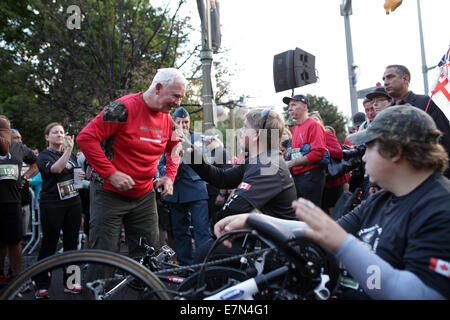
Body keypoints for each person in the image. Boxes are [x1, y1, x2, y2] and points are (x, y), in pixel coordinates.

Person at [215, 105, 450, 300]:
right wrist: (252, 220)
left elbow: (422, 294)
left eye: (368, 148)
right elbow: (324, 232)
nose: (364, 156)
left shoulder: (440, 208)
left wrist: (343, 244)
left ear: (395, 151)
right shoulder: (382, 198)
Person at [76, 68, 184, 260]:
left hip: (143, 196)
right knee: (105, 258)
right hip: (108, 193)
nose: (178, 103)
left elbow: (175, 148)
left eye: (181, 98)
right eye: (175, 96)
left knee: (148, 256)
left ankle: (144, 290)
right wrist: (111, 173)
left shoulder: (167, 120)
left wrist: (169, 177)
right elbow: (85, 138)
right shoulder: (122, 108)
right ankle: (101, 290)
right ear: (158, 88)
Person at [33, 123, 84, 298]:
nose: (60, 135)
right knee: (50, 243)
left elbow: (76, 177)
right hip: (52, 203)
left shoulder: (70, 154)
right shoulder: (44, 156)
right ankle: (41, 285)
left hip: (73, 202)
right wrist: (68, 151)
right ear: (47, 137)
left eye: (62, 132)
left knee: (72, 243)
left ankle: (71, 282)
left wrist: (81, 176)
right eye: (55, 132)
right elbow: (56, 169)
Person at [158, 106, 210, 266]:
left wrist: (184, 143)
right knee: (180, 232)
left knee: (202, 231)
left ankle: (203, 266)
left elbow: (204, 162)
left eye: (186, 121)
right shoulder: (166, 139)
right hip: (176, 192)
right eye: (179, 122)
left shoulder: (199, 138)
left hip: (196, 190)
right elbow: (159, 164)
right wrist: (166, 171)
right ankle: (186, 266)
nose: (183, 125)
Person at [383, 64, 450, 177]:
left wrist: (441, 176)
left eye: (390, 77)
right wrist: (374, 183)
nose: (385, 82)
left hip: (428, 177)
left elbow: (444, 140)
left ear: (405, 78)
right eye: (384, 79)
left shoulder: (425, 103)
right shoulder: (385, 113)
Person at [0, 116, 38, 285]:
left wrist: (25, 177)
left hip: (13, 200)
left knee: (14, 242)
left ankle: (18, 277)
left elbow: (37, 162)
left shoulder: (19, 148)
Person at [284, 95, 328, 207]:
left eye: (294, 105)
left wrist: (290, 163)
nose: (290, 109)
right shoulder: (297, 128)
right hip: (299, 177)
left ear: (305, 107)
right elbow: (295, 153)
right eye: (289, 106)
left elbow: (318, 153)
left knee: (310, 216)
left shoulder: (314, 125)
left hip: (311, 176)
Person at [309, 111, 346, 214]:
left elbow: (339, 153)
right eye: (311, 121)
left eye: (316, 120)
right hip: (318, 181)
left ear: (321, 122)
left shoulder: (327, 134)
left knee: (335, 213)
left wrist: (321, 148)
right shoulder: (309, 139)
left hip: (332, 180)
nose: (314, 123)